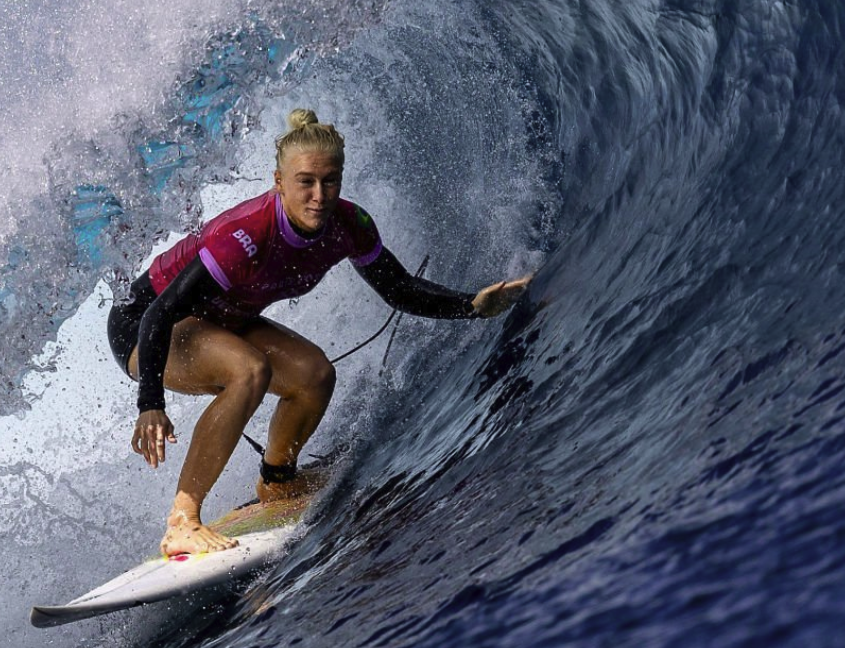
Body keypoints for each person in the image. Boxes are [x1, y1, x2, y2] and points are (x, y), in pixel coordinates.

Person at [107, 108, 531, 556]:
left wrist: (471, 307)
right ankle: (182, 520)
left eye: (330, 181)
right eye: (305, 182)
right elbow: (160, 312)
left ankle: (277, 482)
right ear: (278, 181)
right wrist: (150, 405)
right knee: (250, 370)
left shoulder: (350, 225)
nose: (318, 195)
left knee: (313, 375)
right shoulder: (245, 235)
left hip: (218, 320)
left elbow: (398, 288)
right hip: (144, 327)